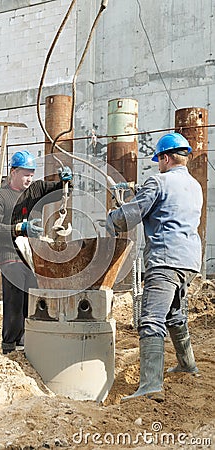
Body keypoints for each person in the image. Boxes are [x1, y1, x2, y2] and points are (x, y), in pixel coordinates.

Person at [106, 132, 203, 402]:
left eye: (158, 159)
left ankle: (150, 385)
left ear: (165, 157)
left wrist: (112, 218)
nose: (157, 164)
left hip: (165, 259)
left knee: (151, 320)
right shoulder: (195, 186)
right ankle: (187, 364)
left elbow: (131, 216)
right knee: (174, 314)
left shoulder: (158, 182)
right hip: (189, 261)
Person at [0, 150, 72, 354]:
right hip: (10, 256)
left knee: (32, 299)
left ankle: (26, 344)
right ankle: (9, 345)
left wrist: (66, 181)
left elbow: (61, 191)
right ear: (13, 172)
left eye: (32, 174)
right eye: (25, 174)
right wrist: (19, 228)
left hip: (32, 256)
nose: (29, 178)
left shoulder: (36, 189)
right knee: (14, 300)